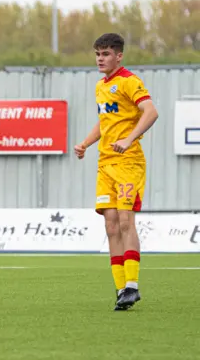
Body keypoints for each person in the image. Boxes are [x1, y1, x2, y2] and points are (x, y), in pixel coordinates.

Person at [74, 33, 159, 311]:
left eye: (106, 54)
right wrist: (86, 143)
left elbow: (150, 111)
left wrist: (129, 138)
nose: (100, 59)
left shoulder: (129, 81)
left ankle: (133, 285)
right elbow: (104, 121)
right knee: (110, 225)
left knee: (125, 221)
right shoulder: (101, 86)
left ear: (119, 56)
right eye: (98, 54)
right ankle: (122, 290)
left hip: (128, 163)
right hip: (105, 165)